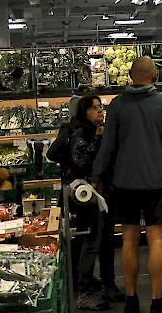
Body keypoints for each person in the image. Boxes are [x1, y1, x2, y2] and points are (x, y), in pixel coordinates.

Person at [92, 57, 162, 313]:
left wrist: (96, 176)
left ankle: (132, 301)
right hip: (157, 181)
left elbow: (107, 146)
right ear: (154, 75)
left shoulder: (117, 106)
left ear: (131, 76)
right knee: (157, 239)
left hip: (124, 182)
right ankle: (157, 302)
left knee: (128, 239)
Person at [65, 96, 124, 311]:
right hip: (88, 195)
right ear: (84, 112)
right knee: (92, 241)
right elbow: (81, 163)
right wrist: (98, 141)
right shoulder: (80, 133)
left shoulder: (100, 131)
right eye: (95, 108)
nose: (100, 111)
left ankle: (109, 285)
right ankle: (85, 292)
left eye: (101, 107)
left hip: (105, 193)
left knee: (107, 241)